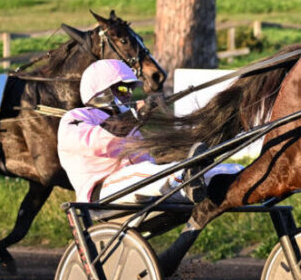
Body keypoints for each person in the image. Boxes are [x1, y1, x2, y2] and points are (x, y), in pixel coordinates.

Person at [57, 60, 242, 205]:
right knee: (144, 173)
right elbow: (96, 142)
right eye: (123, 90)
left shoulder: (132, 127)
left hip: (138, 186)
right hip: (101, 193)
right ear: (101, 93)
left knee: (214, 171)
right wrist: (134, 117)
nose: (131, 97)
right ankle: (183, 177)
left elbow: (148, 163)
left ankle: (242, 175)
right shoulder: (75, 118)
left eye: (133, 91)